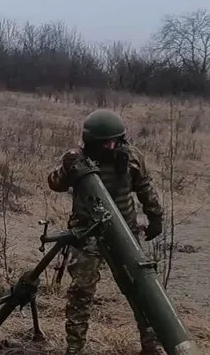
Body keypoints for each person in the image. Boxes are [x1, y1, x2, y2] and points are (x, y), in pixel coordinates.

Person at [47, 109, 164, 355]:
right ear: (92, 142)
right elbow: (55, 184)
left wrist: (155, 217)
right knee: (81, 292)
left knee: (143, 290)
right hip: (87, 234)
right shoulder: (77, 159)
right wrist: (68, 168)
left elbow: (145, 187)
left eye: (115, 141)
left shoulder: (132, 157)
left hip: (125, 234)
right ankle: (75, 348)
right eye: (105, 143)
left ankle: (151, 346)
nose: (112, 146)